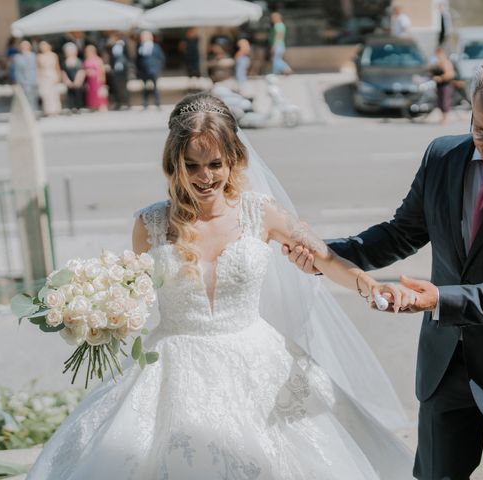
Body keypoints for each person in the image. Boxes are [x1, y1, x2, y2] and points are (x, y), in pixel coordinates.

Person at [25, 92, 416, 479]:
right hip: (172, 367)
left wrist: (367, 284)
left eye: (215, 164)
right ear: (174, 164)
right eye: (192, 165)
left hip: (256, 359)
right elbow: (136, 293)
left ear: (234, 160)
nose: (205, 177)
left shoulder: (261, 213)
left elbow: (324, 259)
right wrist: (100, 310)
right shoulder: (151, 225)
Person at [286, 57, 483, 480]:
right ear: (470, 110)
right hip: (445, 363)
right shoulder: (442, 156)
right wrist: (325, 256)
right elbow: (401, 234)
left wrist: (438, 299)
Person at [136, 30, 165, 109]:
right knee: (145, 88)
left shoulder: (156, 46)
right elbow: (138, 59)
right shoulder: (139, 47)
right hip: (143, 70)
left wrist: (158, 68)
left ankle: (157, 103)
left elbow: (161, 58)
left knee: (155, 88)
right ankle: (145, 104)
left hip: (154, 70)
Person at [430, 46, 455, 125]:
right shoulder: (438, 63)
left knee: (445, 102)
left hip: (446, 85)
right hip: (439, 85)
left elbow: (451, 74)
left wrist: (440, 78)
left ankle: (446, 118)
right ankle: (442, 117)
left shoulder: (446, 62)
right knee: (440, 102)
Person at [36, 41, 62, 116]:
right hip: (44, 76)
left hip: (52, 74)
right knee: (46, 94)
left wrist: (59, 76)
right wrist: (39, 78)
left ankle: (56, 110)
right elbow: (39, 68)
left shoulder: (54, 55)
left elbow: (57, 67)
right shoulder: (39, 56)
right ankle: (48, 110)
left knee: (54, 93)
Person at [13, 40, 38, 111]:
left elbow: (36, 68)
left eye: (26, 45)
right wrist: (18, 81)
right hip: (23, 81)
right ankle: (29, 113)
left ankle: (34, 112)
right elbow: (17, 71)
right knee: (26, 99)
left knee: (34, 98)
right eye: (23, 46)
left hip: (34, 80)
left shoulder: (34, 56)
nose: (24, 47)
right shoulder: (17, 57)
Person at [108, 34, 131, 110]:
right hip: (115, 69)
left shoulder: (123, 45)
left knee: (123, 87)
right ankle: (119, 103)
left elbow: (128, 56)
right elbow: (112, 58)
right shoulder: (112, 46)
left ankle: (126, 103)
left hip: (123, 69)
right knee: (116, 87)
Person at [61, 42, 85, 113]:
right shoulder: (64, 62)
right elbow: (63, 72)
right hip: (69, 81)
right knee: (70, 95)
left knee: (78, 93)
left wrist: (78, 81)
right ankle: (71, 107)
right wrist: (67, 81)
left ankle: (79, 107)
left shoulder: (79, 61)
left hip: (77, 80)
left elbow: (81, 71)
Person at [83, 45, 108, 112]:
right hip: (90, 80)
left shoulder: (98, 59)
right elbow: (84, 69)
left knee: (99, 93)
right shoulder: (87, 59)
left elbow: (102, 70)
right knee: (92, 93)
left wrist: (102, 79)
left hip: (97, 79)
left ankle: (102, 106)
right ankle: (94, 106)